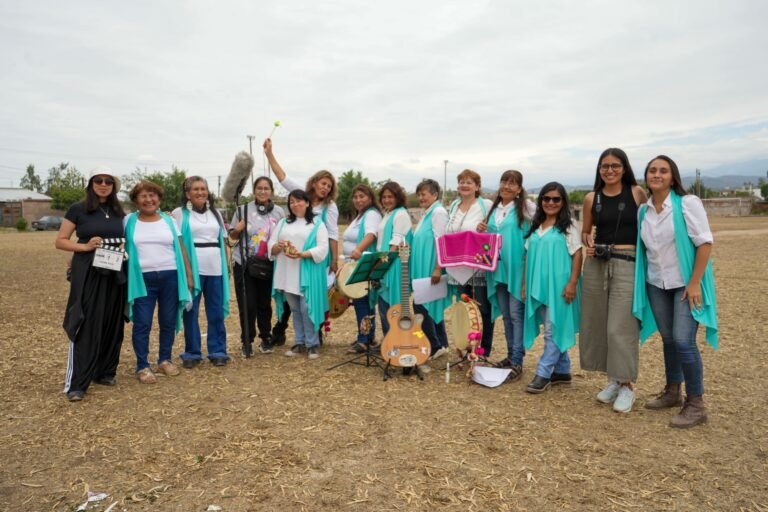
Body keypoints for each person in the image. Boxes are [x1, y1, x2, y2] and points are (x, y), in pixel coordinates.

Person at [633, 155, 717, 428]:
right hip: (657, 283)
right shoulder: (643, 211)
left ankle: (696, 403)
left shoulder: (686, 204)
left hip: (684, 284)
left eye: (663, 171)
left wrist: (694, 283)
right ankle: (672, 391)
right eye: (652, 170)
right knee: (669, 340)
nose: (657, 174)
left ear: (673, 176)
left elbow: (704, 243)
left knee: (684, 341)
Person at [580, 148, 648, 413]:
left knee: (621, 326)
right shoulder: (590, 198)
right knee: (598, 323)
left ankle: (628, 385)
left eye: (615, 166)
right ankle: (613, 379)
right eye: (604, 166)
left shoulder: (636, 193)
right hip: (597, 263)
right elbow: (586, 231)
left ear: (624, 167)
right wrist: (589, 243)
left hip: (627, 263)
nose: (609, 170)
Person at [56, 168, 127, 401]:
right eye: (99, 180)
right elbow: (61, 241)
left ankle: (105, 371)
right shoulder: (78, 209)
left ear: (114, 186)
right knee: (86, 320)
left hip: (114, 269)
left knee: (112, 319)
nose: (103, 184)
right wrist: (85, 247)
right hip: (88, 270)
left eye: (109, 181)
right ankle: (77, 382)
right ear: (91, 184)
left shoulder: (118, 211)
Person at [264, 138, 339, 343]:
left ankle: (315, 334)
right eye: (323, 184)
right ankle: (299, 338)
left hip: (316, 258)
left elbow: (332, 235)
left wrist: (333, 261)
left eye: (329, 186)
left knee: (312, 297)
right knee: (295, 298)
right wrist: (270, 154)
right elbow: (282, 177)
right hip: (291, 260)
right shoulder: (300, 196)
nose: (325, 188)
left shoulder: (329, 207)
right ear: (314, 182)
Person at [124, 181, 193, 384]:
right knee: (142, 322)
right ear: (136, 200)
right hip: (142, 279)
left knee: (168, 321)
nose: (149, 200)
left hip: (170, 276)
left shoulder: (169, 221)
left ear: (159, 199)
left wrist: (188, 275)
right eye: (143, 196)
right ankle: (142, 366)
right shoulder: (128, 221)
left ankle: (164, 359)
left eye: (152, 195)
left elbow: (180, 248)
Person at [522, 182, 583, 394]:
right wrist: (524, 285)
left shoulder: (569, 225)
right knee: (553, 327)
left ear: (563, 202)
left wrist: (572, 283)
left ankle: (544, 372)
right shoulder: (536, 225)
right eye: (546, 199)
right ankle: (563, 370)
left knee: (552, 329)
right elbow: (527, 255)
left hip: (560, 286)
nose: (550, 202)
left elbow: (577, 253)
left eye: (556, 199)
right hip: (538, 286)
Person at [478, 170, 536, 381]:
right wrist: (482, 230)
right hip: (497, 269)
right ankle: (512, 355)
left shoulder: (526, 207)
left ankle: (518, 360)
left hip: (517, 269)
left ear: (519, 189)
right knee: (506, 314)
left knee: (516, 314)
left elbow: (537, 231)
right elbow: (489, 238)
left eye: (513, 184)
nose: (507, 186)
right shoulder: (494, 208)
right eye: (504, 182)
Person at [173, 176, 230, 368]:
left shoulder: (216, 214)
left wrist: (227, 265)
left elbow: (223, 239)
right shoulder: (179, 214)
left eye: (203, 189)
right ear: (187, 194)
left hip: (215, 268)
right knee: (191, 311)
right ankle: (192, 352)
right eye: (196, 189)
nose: (200, 192)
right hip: (193, 270)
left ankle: (218, 350)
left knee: (215, 311)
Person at [268, 189, 329, 360]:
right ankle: (300, 341)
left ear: (307, 203)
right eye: (292, 202)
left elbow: (323, 248)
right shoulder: (282, 223)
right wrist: (278, 246)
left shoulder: (317, 224)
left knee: (306, 307)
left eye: (299, 201)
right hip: (287, 272)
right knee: (295, 308)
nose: (295, 204)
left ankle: (312, 343)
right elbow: (271, 244)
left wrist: (303, 254)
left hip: (306, 272)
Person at [228, 176, 285, 355]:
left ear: (271, 191)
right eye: (259, 188)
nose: (262, 191)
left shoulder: (278, 212)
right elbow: (232, 237)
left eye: (266, 188)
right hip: (245, 263)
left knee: (264, 303)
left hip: (268, 264)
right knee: (248, 303)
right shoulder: (242, 210)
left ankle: (266, 337)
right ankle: (247, 339)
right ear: (254, 191)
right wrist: (238, 229)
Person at [446, 169, 495, 356]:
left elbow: (494, 229)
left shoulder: (485, 205)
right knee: (465, 310)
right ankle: (468, 348)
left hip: (478, 267)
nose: (464, 185)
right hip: (458, 267)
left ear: (477, 186)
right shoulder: (454, 206)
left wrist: (485, 229)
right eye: (461, 182)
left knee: (482, 309)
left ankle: (482, 351)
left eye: (469, 182)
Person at [410, 179, 451, 360]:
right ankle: (441, 344)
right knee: (428, 304)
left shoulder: (438, 212)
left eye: (424, 194)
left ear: (435, 195)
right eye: (419, 194)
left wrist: (437, 268)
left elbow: (441, 241)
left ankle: (434, 344)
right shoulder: (426, 213)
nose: (421, 197)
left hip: (431, 266)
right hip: (423, 266)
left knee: (420, 304)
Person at [343, 184, 382, 353]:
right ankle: (367, 336)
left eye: (362, 196)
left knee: (362, 303)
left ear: (370, 198)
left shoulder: (371, 214)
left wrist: (358, 250)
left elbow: (371, 234)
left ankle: (364, 340)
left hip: (364, 265)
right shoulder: (360, 216)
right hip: (355, 265)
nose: (358, 200)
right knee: (362, 303)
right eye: (356, 197)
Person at [375, 181, 413, 337]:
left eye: (390, 196)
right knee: (384, 306)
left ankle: (396, 340)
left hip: (393, 265)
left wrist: (382, 265)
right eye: (384, 197)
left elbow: (397, 243)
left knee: (393, 306)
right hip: (386, 263)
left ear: (398, 197)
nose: (386, 200)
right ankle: (388, 339)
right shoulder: (389, 213)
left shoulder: (401, 214)